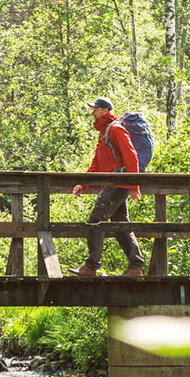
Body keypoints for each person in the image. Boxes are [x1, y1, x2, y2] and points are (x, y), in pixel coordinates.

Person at [69, 97, 148, 277]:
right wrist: (84, 183)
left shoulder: (117, 129)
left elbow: (131, 157)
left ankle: (91, 267)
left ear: (105, 111)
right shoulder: (104, 133)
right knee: (121, 225)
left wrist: (134, 185)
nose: (92, 112)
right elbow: (97, 163)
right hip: (114, 184)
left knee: (95, 222)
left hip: (118, 184)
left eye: (95, 109)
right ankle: (135, 267)